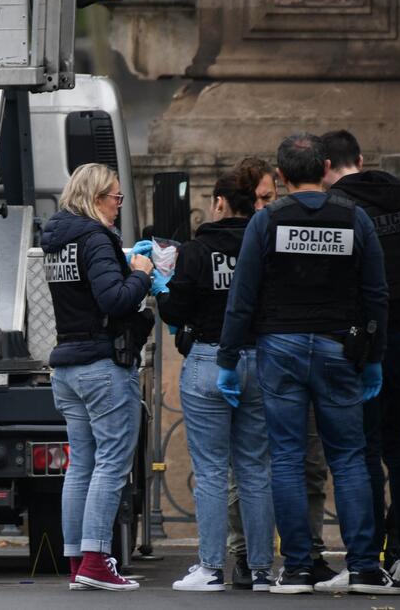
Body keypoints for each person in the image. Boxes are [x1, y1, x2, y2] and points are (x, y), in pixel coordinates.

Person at [217, 133, 400, 595]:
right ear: (325, 168)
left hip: (279, 347)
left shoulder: (268, 222)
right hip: (338, 348)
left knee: (285, 457)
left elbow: (243, 295)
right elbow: (375, 293)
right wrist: (375, 358)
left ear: (280, 176)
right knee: (349, 457)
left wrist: (227, 357)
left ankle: (299, 567)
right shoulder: (355, 219)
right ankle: (364, 567)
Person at [155, 164, 275, 592]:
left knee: (209, 470)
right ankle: (261, 569)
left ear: (220, 203)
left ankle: (209, 568)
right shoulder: (265, 244)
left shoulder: (196, 250)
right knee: (255, 470)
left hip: (208, 358)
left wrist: (161, 285)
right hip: (259, 359)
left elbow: (174, 310)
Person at [40, 162, 153, 591]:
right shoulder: (94, 237)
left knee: (80, 465)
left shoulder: (57, 240)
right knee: (110, 464)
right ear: (94, 196)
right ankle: (96, 560)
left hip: (67, 366)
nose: (119, 206)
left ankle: (78, 563)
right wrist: (141, 275)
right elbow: (114, 299)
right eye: (115, 198)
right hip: (102, 366)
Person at [226, 158, 335, 587]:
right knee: (250, 467)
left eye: (269, 197)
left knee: (307, 462)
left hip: (282, 355)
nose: (264, 206)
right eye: (258, 199)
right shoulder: (243, 236)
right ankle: (245, 554)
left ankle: (307, 551)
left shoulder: (281, 230)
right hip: (256, 359)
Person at [321, 129, 400, 591]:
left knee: (361, 449)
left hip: (354, 343)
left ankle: (369, 556)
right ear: (361, 158)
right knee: (398, 441)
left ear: (325, 167)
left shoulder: (337, 212)